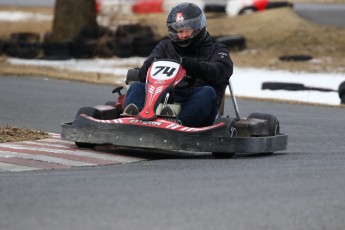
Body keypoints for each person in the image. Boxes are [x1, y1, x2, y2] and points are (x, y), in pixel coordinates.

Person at [124, 2, 233, 127]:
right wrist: (149, 65)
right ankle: (133, 119)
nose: (183, 35)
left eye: (187, 30)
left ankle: (179, 123)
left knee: (207, 92)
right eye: (179, 31)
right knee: (137, 87)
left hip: (194, 101)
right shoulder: (165, 46)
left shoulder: (217, 49)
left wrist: (192, 66)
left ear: (199, 27)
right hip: (164, 97)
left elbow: (220, 72)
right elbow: (143, 75)